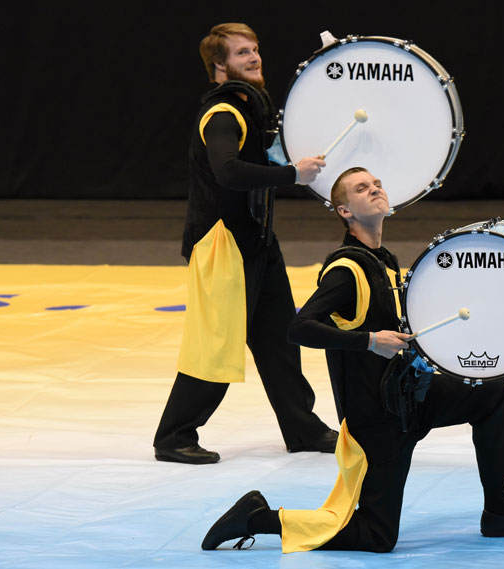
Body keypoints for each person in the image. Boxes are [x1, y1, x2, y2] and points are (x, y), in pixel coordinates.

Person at [199, 167, 504, 553]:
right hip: (377, 420)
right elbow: (299, 328)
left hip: (407, 398)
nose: (374, 190)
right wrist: (369, 341)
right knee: (377, 537)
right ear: (344, 211)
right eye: (361, 188)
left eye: (377, 184)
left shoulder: (382, 260)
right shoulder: (346, 270)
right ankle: (258, 517)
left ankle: (500, 512)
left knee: (490, 393)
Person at [153, 23, 337, 464]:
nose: (254, 57)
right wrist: (293, 174)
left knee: (279, 339)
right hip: (223, 246)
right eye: (241, 53)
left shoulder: (250, 108)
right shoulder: (222, 114)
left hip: (256, 240)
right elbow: (229, 173)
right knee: (216, 344)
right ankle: (174, 436)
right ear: (220, 66)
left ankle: (302, 428)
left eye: (254, 49)